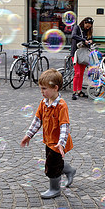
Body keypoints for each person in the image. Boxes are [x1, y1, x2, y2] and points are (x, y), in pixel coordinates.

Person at [20, 69, 77, 199]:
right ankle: (70, 170)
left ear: (55, 88)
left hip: (57, 143)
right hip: (49, 141)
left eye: (44, 89)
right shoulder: (44, 103)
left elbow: (64, 126)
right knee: (55, 162)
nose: (42, 92)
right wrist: (29, 135)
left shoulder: (61, 106)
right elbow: (37, 121)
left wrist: (61, 143)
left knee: (51, 166)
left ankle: (55, 189)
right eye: (41, 89)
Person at [70, 17, 94, 100]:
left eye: (89, 26)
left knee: (81, 73)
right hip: (76, 54)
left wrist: (90, 41)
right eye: (87, 25)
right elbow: (73, 36)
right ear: (84, 22)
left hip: (84, 55)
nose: (88, 27)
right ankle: (74, 92)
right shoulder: (77, 27)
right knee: (77, 73)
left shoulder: (88, 31)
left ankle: (79, 91)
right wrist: (84, 40)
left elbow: (90, 40)